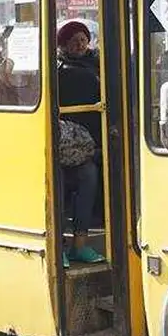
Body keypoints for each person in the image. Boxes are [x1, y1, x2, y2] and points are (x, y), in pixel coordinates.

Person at [55, 20, 103, 266]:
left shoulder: (98, 65)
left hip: (86, 148)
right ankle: (58, 246)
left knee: (89, 175)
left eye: (83, 39)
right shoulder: (58, 71)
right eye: (74, 40)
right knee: (57, 183)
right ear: (64, 45)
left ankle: (81, 244)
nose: (80, 44)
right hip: (60, 147)